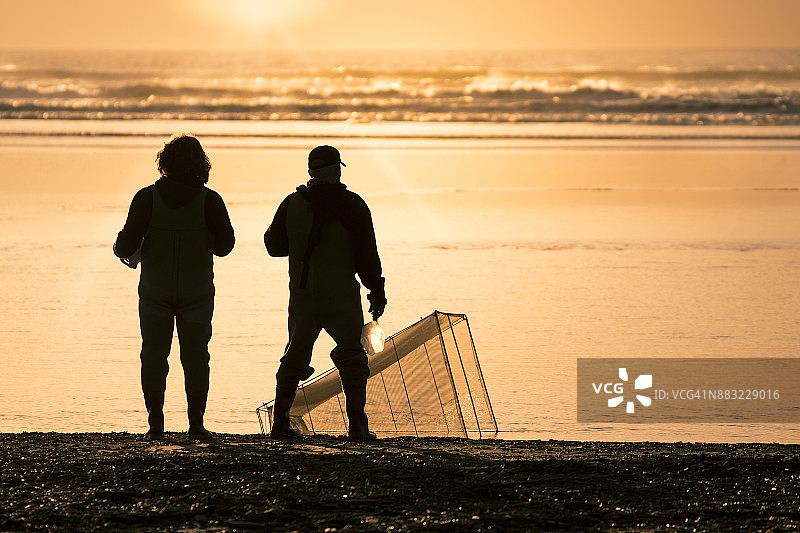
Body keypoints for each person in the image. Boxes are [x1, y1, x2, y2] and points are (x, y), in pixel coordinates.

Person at [114, 134, 235, 440]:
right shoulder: (210, 200)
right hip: (196, 291)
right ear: (201, 164)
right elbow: (225, 246)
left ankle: (156, 425)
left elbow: (124, 246)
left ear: (164, 162)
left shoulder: (146, 198)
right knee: (196, 357)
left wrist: (125, 242)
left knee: (154, 356)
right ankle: (196, 424)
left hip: (155, 292)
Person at [265, 145, 386, 441]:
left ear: (310, 172)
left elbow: (273, 246)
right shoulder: (352, 205)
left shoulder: (292, 203)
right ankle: (358, 426)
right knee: (352, 357)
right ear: (335, 170)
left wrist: (300, 237)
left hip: (303, 296)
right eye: (338, 168)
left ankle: (280, 424)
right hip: (341, 297)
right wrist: (376, 290)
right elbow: (366, 255)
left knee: (294, 357)